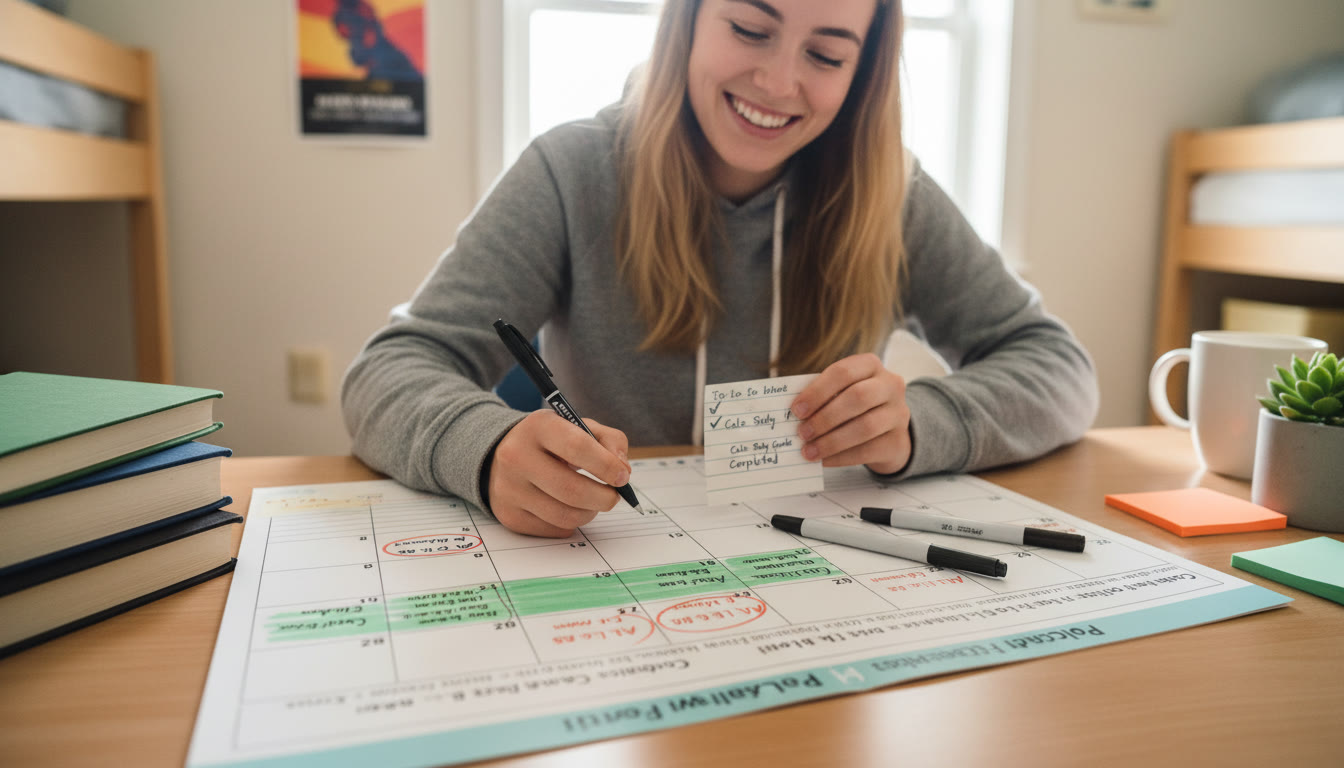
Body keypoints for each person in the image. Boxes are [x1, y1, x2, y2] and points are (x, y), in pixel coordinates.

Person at [341, 0, 1099, 538]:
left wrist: (919, 425)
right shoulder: (571, 172)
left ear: (861, 73)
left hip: (820, 565)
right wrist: (486, 448)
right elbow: (390, 370)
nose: (777, 82)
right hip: (615, 559)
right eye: (749, 29)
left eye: (827, 55)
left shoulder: (892, 194)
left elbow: (1058, 367)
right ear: (688, 20)